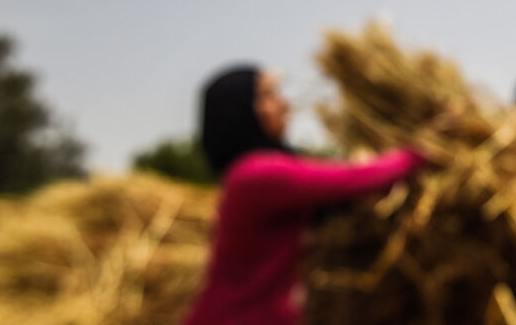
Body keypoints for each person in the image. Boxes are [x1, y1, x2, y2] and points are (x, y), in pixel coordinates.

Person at [181, 65, 428, 325]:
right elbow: (355, 179)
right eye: (269, 95)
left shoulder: (251, 174)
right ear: (241, 111)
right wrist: (420, 152)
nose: (283, 104)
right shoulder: (256, 174)